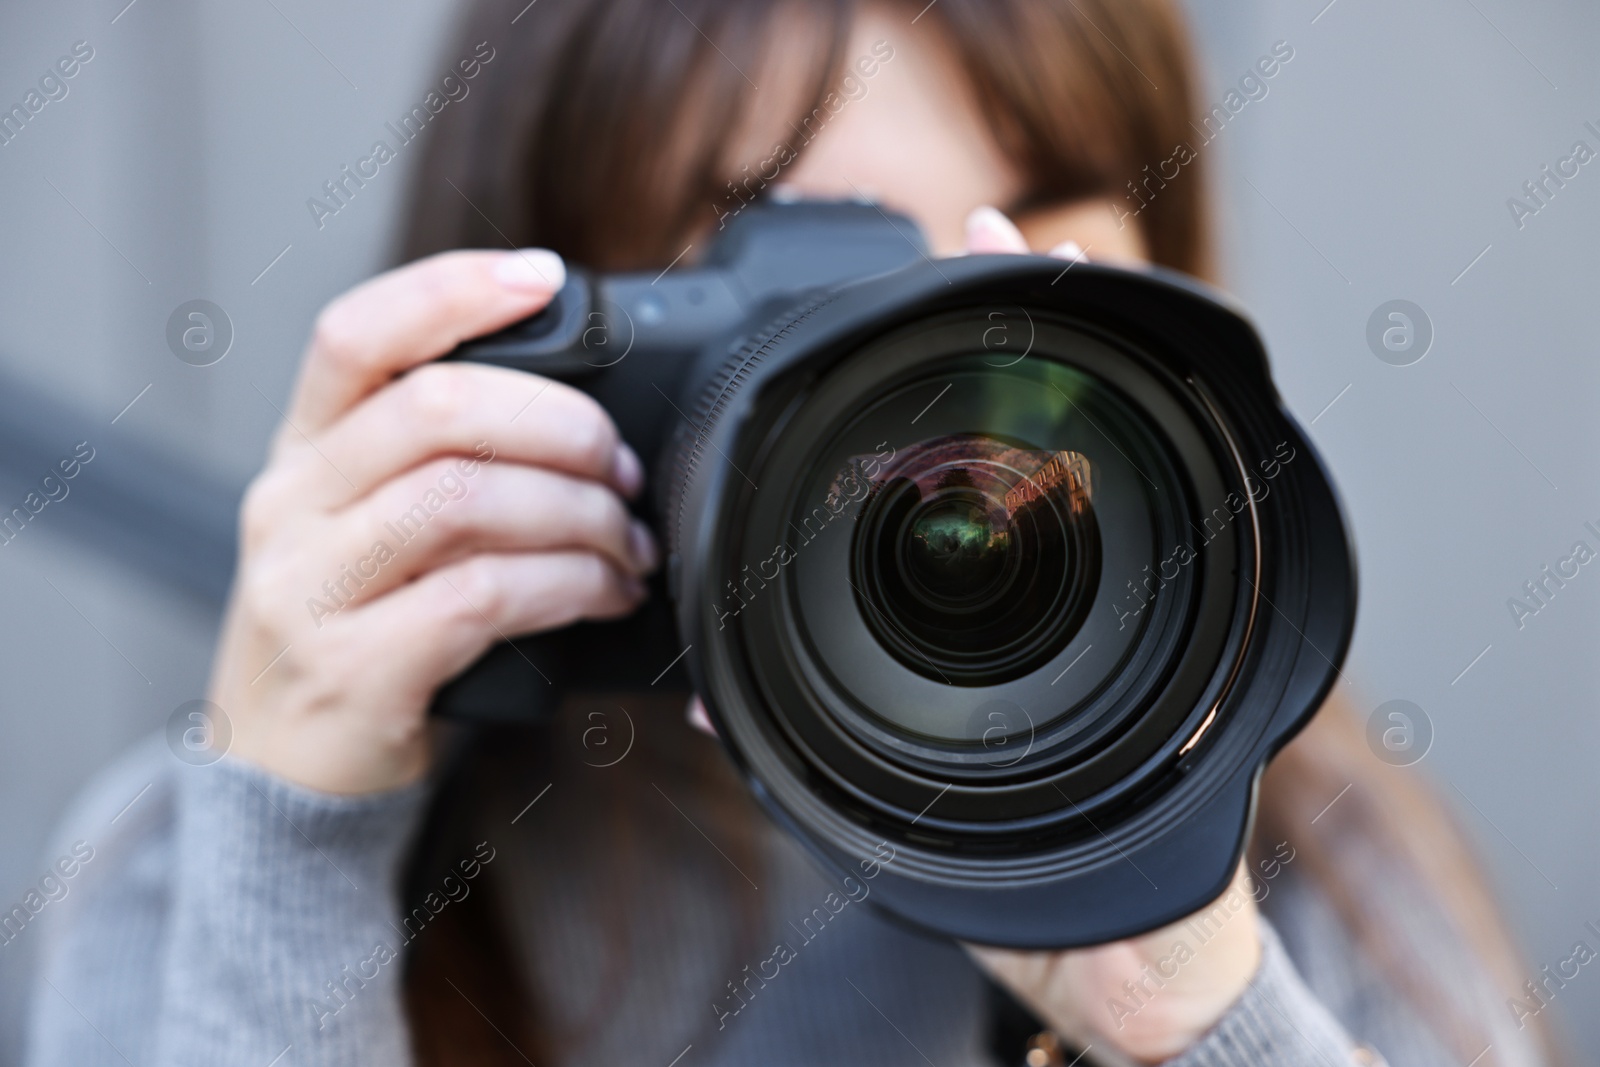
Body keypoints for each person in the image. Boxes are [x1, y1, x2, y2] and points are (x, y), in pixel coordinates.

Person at [23, 1, 1562, 1065]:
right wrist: (291, 841)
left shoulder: (1299, 860)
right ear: (553, 352)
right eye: (811, 289)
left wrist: (1196, 1015)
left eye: (1028, 249)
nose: (948, 389)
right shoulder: (204, 871)